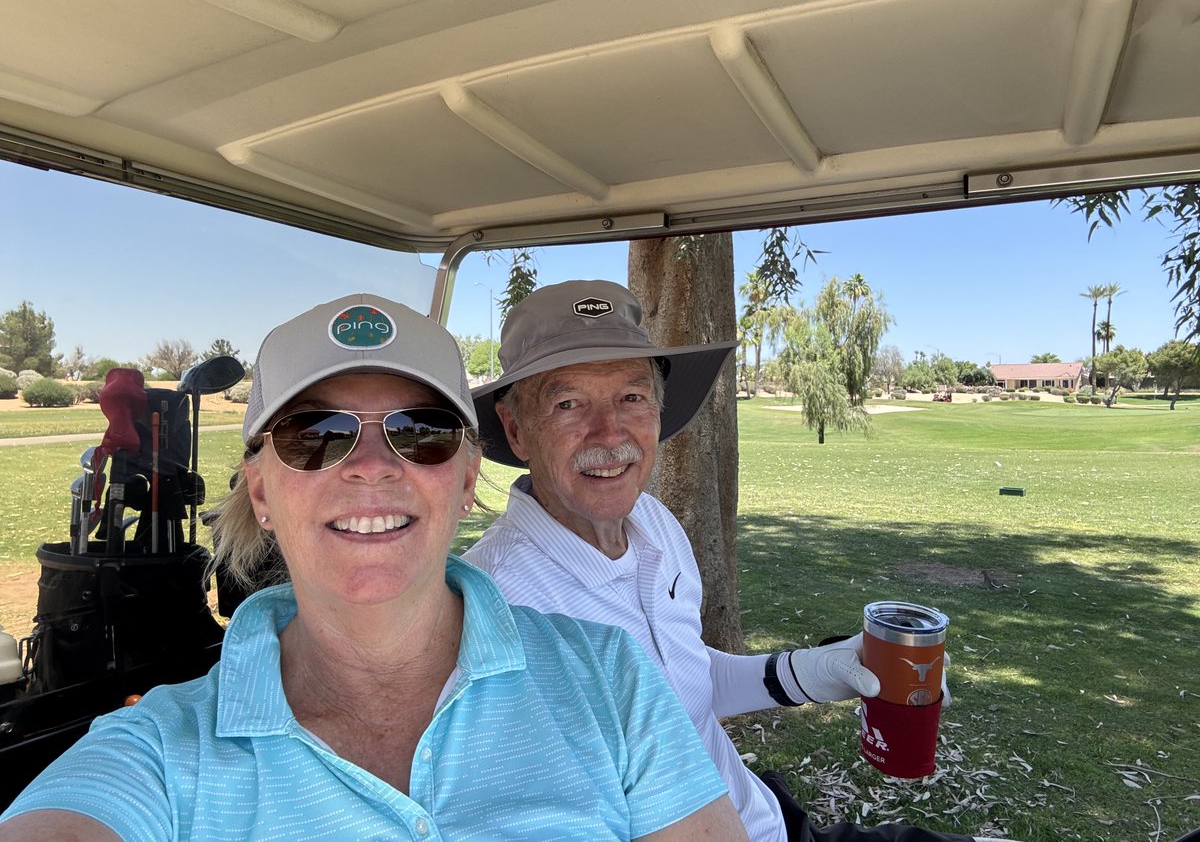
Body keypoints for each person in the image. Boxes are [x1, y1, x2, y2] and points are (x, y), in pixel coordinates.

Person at [0, 293, 746, 841]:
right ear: (260, 490)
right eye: (315, 432)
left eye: (419, 431)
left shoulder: (608, 678)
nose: (370, 467)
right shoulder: (163, 753)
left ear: (462, 480)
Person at [464, 280, 1011, 842]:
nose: (611, 433)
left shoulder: (654, 524)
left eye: (632, 397)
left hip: (768, 817)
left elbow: (686, 683)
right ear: (515, 430)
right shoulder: (492, 609)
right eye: (568, 403)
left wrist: (811, 674)